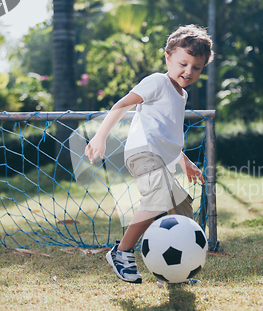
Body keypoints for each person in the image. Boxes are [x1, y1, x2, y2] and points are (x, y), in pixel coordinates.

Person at [84, 25, 213, 284]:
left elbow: (168, 137)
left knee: (181, 209)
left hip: (161, 159)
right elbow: (122, 105)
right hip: (142, 153)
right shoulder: (157, 81)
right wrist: (100, 135)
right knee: (158, 197)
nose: (188, 71)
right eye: (183, 63)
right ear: (168, 57)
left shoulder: (182, 94)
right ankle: (121, 253)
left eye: (196, 67)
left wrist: (184, 160)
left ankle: (175, 272)